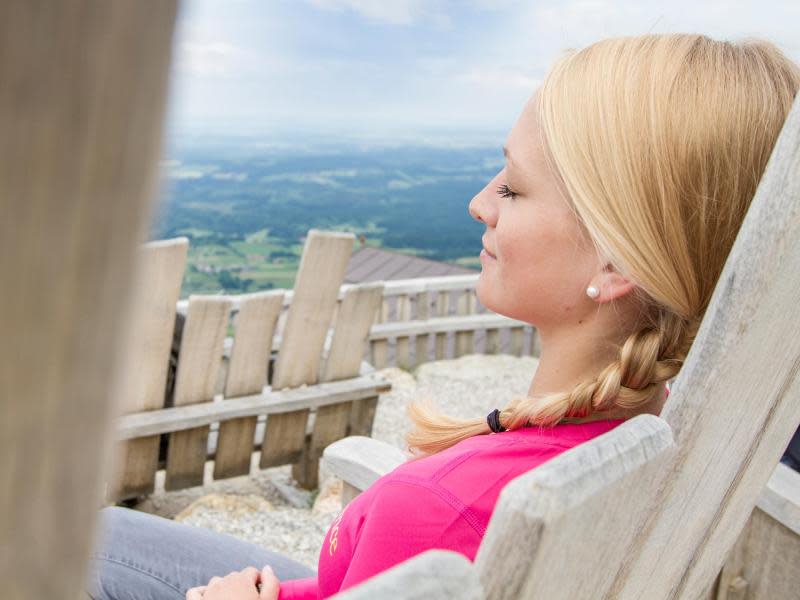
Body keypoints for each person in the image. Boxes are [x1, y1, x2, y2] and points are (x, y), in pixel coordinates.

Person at [84, 33, 800, 600]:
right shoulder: (646, 422)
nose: (480, 204)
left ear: (615, 266)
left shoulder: (435, 512)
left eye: (514, 188)